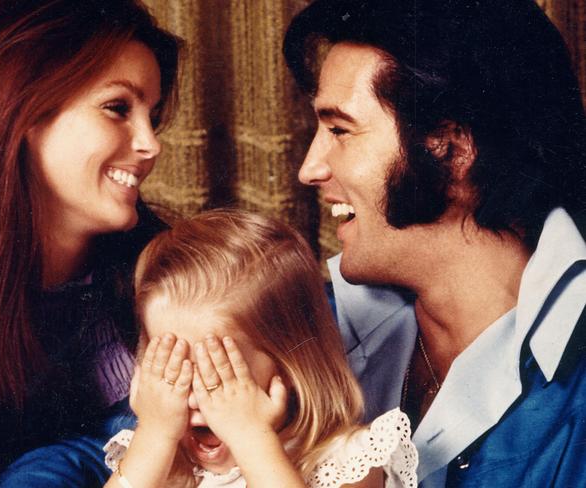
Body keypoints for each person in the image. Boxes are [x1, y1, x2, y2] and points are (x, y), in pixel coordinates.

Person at [283, 0, 586, 486]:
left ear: (452, 150)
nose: (309, 169)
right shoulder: (300, 328)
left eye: (340, 130)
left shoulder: (576, 403)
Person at [0, 0, 180, 485]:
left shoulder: (169, 275)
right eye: (118, 108)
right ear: (21, 112)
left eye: (151, 116)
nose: (151, 144)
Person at [102, 209, 418, 488]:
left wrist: (251, 438)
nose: (194, 397)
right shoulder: (155, 457)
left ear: (291, 367)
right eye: (173, 371)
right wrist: (154, 435)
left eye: (218, 373)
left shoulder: (348, 461)